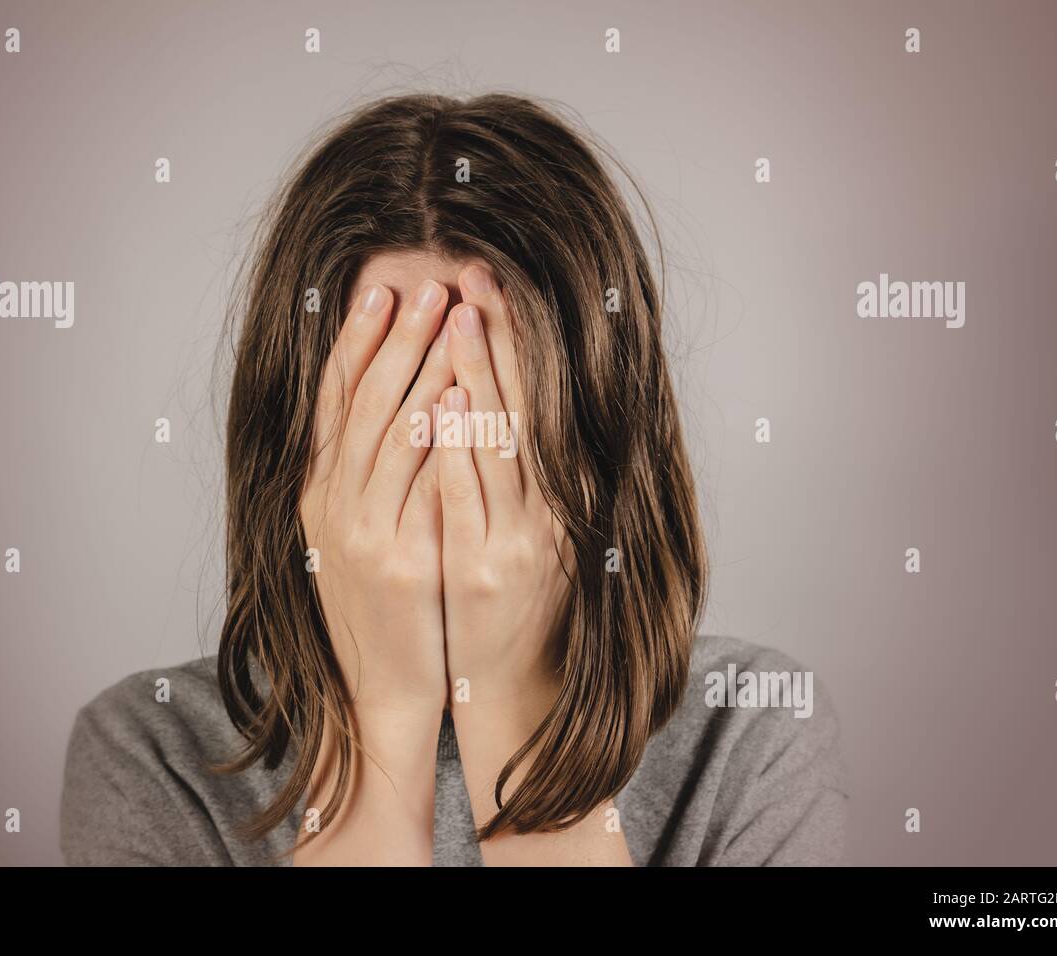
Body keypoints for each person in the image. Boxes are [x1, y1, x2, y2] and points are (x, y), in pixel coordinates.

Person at [60, 93, 848, 866]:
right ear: (296, 449)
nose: (448, 471)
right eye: (392, 406)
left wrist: (513, 707)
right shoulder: (150, 754)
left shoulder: (751, 731)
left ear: (601, 443)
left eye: (494, 405)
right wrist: (382, 718)